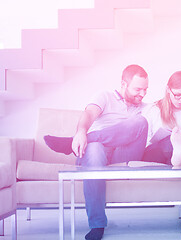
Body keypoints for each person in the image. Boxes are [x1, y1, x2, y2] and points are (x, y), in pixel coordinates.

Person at [44, 64, 149, 240]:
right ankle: (97, 225)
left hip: (123, 157)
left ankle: (71, 143)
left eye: (146, 89)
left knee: (141, 122)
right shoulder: (105, 96)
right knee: (93, 149)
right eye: (138, 89)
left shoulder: (144, 107)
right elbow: (89, 114)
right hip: (96, 154)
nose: (143, 94)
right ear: (124, 84)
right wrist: (80, 133)